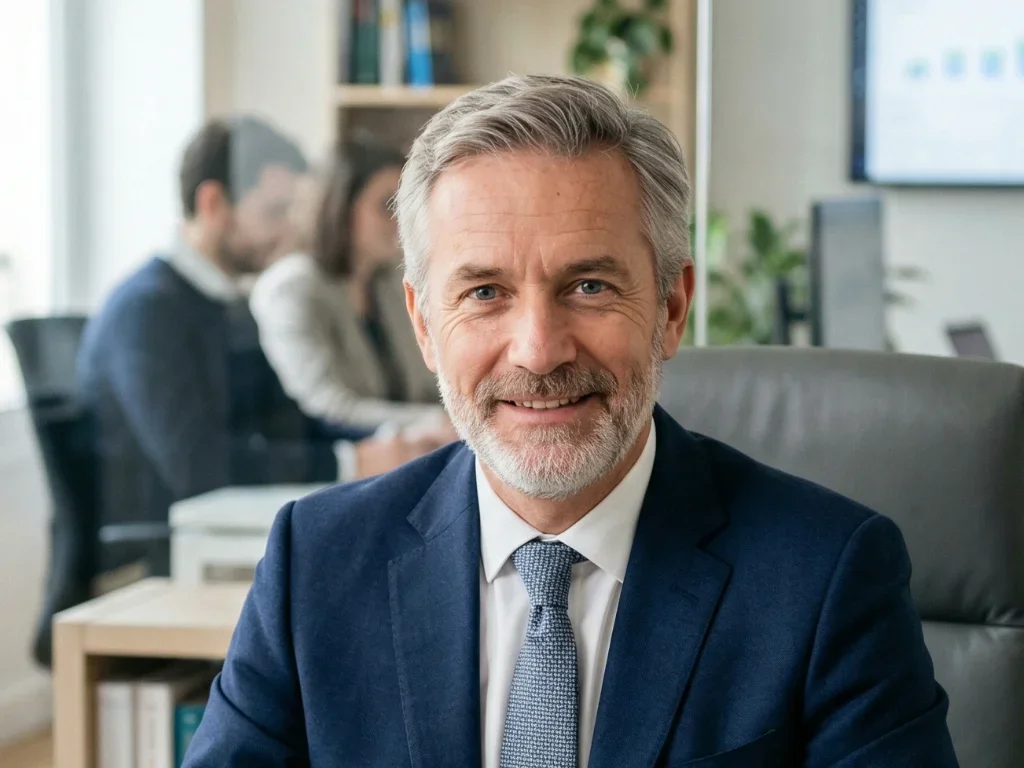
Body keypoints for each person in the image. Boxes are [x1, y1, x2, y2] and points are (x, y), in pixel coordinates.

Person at [184, 78, 958, 766]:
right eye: (484, 292)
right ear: (424, 325)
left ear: (671, 308)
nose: (539, 351)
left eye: (588, 285)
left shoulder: (826, 577)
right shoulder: (314, 565)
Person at [78, 116, 441, 577]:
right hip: (150, 566)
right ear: (213, 203)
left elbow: (288, 421)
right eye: (273, 211)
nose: (289, 228)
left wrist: (385, 444)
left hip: (218, 540)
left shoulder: (228, 301)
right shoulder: (147, 311)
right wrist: (349, 460)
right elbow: (198, 467)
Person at [250, 143, 447, 433]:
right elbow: (326, 407)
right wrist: (431, 423)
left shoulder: (388, 283)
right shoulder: (291, 287)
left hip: (408, 452)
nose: (401, 222)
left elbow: (427, 385)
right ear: (340, 208)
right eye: (386, 205)